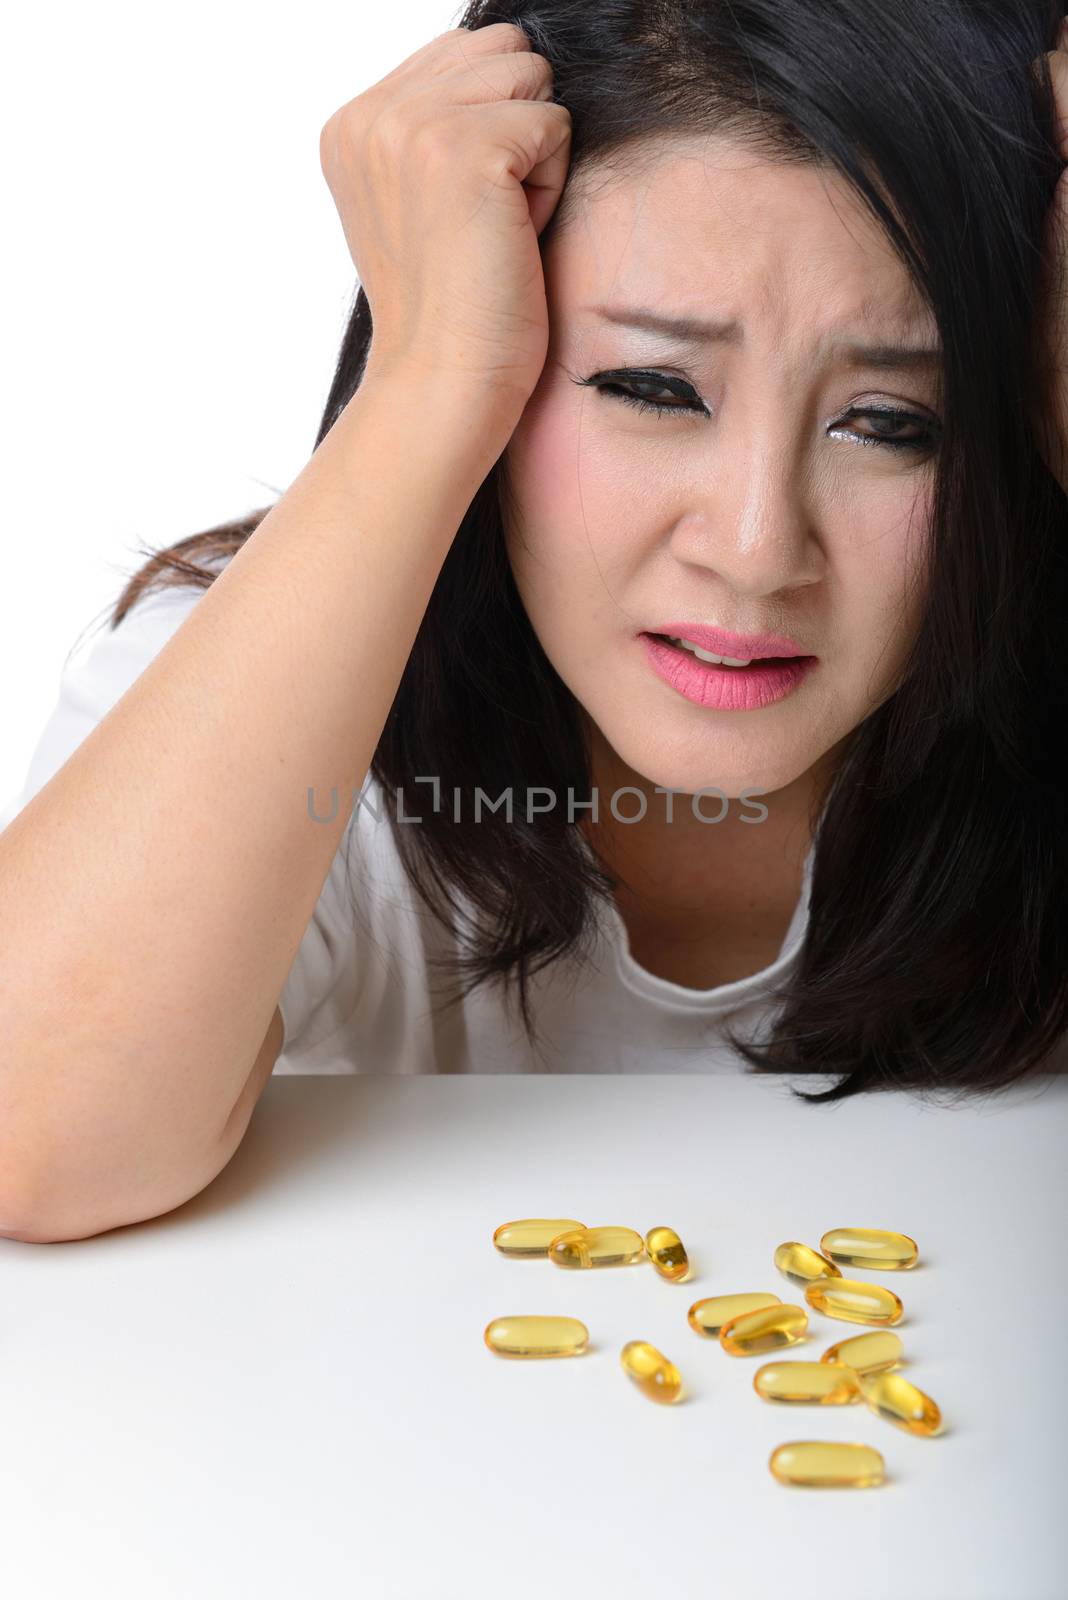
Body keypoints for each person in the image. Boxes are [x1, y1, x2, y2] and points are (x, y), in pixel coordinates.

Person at [2, 0, 1067, 1245]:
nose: (756, 548)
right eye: (652, 388)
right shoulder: (272, 674)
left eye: (891, 422)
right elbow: (30, 1137)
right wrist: (424, 381)